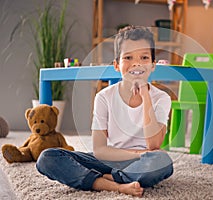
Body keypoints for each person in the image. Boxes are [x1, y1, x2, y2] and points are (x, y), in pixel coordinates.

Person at [36, 25, 173, 197]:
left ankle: (104, 180)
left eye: (144, 57)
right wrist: (139, 153)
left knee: (162, 160)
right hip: (110, 158)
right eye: (128, 57)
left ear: (153, 65)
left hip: (143, 162)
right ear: (117, 65)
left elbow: (153, 145)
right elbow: (100, 150)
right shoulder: (104, 97)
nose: (136, 63)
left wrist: (145, 96)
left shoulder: (161, 98)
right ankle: (116, 185)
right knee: (48, 157)